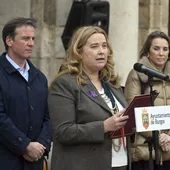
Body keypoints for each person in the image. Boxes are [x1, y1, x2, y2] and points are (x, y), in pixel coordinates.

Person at [48, 26, 131, 170]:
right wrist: (104, 127)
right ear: (78, 52)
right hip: (84, 164)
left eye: (104, 46)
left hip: (118, 162)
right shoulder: (65, 83)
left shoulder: (111, 83)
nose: (101, 51)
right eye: (94, 46)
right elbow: (63, 131)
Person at [0, 17, 52, 170]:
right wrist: (25, 145)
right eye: (25, 38)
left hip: (34, 162)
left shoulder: (39, 77)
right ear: (9, 40)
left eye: (33, 38)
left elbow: (48, 116)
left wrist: (41, 144)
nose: (31, 43)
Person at [124, 31, 170, 170]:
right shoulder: (137, 74)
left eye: (165, 49)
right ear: (147, 52)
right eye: (156, 49)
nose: (161, 53)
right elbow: (133, 113)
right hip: (145, 151)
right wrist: (159, 136)